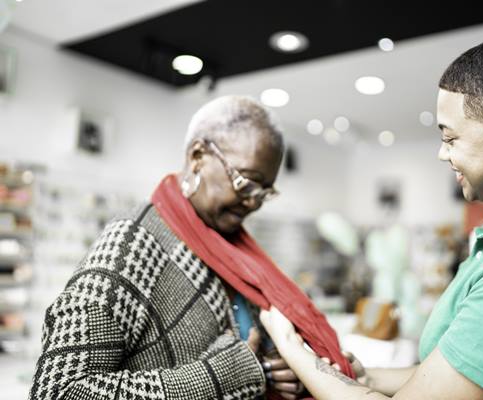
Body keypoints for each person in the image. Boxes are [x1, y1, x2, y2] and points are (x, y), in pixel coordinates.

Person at [260, 33, 483, 399]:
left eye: (451, 139)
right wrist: (363, 376)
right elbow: (454, 372)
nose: (442, 153)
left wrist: (292, 349)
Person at [28, 95, 352, 400]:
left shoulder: (231, 246)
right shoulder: (132, 243)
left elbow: (246, 351)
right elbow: (59, 391)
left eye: (265, 191)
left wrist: (277, 368)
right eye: (246, 182)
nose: (254, 202)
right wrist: (225, 375)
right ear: (197, 156)